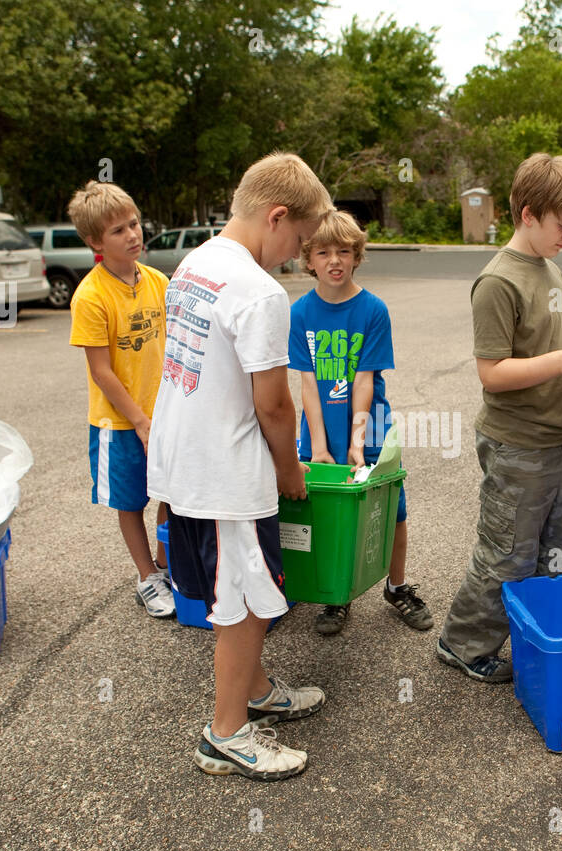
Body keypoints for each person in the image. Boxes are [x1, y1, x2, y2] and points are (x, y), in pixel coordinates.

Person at [147, 152, 334, 781]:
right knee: (248, 601)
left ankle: (254, 690)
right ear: (277, 217)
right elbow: (274, 404)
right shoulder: (261, 292)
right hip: (226, 473)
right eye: (299, 241)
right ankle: (225, 734)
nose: (295, 254)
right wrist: (291, 471)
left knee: (243, 587)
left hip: (186, 458)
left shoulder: (194, 263)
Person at [437, 153, 562, 682]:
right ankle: (463, 643)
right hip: (518, 443)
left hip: (559, 434)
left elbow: (554, 348)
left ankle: (541, 633)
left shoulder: (550, 268)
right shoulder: (498, 281)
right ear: (528, 214)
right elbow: (492, 372)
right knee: (508, 553)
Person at [288, 210, 432, 636]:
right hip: (319, 427)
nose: (334, 260)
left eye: (344, 251)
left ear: (357, 256)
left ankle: (397, 585)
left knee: (391, 512)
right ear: (308, 258)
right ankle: (336, 595)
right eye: (323, 251)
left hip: (368, 426)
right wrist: (318, 446)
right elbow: (308, 384)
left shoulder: (372, 310)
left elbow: (364, 380)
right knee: (330, 514)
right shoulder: (300, 313)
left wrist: (355, 441)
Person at [66, 180, 174, 617]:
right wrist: (140, 421)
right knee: (131, 502)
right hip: (120, 423)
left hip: (165, 413)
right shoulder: (90, 296)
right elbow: (101, 371)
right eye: (118, 231)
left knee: (172, 493)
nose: (132, 235)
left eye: (134, 224)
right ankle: (148, 577)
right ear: (95, 241)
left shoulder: (158, 281)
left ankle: (169, 566)